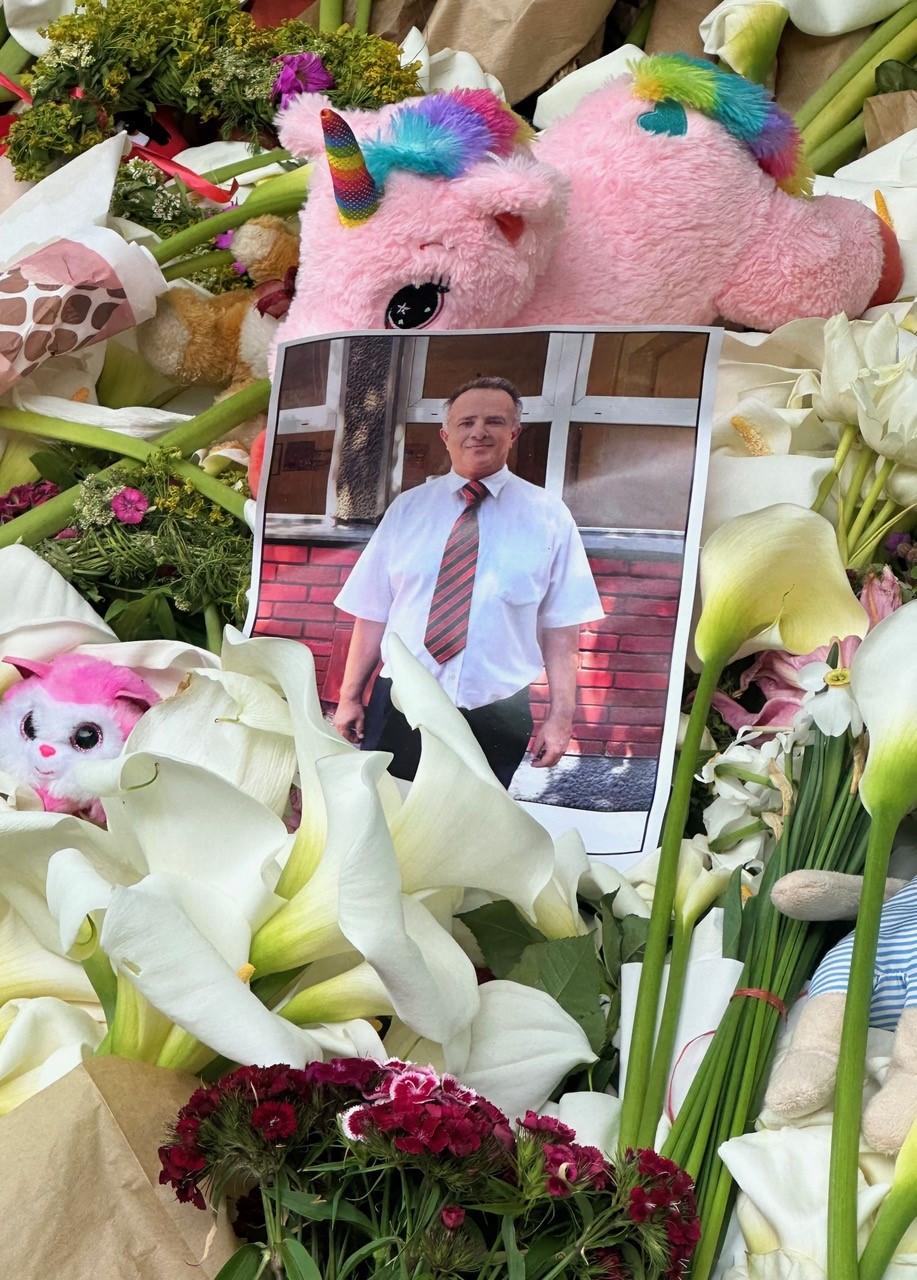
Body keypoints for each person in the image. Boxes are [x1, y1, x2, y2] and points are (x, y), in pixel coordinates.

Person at [332, 375, 603, 787]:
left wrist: (561, 718)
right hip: (402, 702)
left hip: (496, 711)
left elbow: (562, 632)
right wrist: (350, 696)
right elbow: (372, 612)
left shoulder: (550, 517)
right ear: (446, 435)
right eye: (466, 422)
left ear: (515, 432)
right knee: (387, 816)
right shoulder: (408, 510)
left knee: (475, 836)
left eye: (494, 421)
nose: (479, 431)